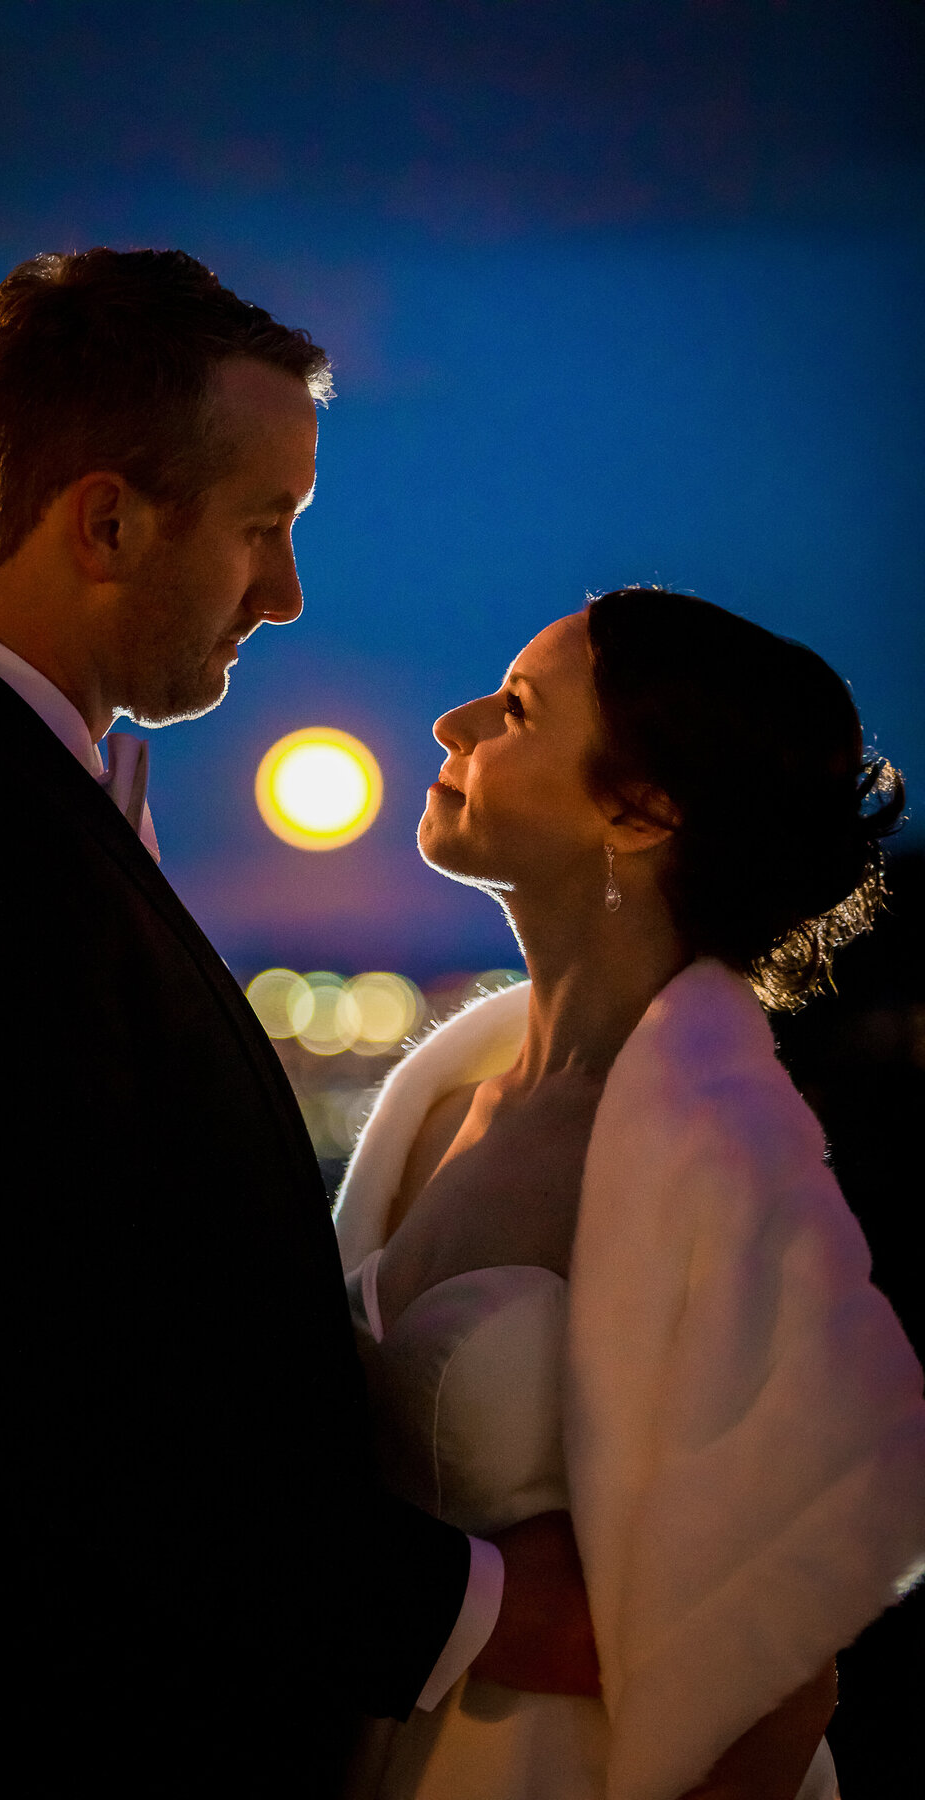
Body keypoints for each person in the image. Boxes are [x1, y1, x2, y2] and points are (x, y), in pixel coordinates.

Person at [0, 249, 596, 1800]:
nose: (286, 595)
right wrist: (488, 1609)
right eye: (264, 529)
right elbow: (74, 1436)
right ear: (108, 521)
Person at [334, 588, 925, 1800]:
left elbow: (784, 1678)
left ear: (640, 809)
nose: (451, 725)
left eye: (513, 710)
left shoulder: (723, 1153)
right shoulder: (448, 1099)